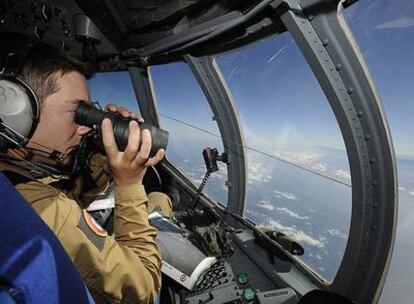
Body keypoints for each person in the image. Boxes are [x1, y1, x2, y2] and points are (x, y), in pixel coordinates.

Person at [0, 44, 173, 303]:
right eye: (77, 112)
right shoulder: (42, 207)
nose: (84, 128)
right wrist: (129, 183)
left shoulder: (18, 172)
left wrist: (105, 147)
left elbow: (76, 191)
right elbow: (142, 288)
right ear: (16, 113)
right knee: (158, 201)